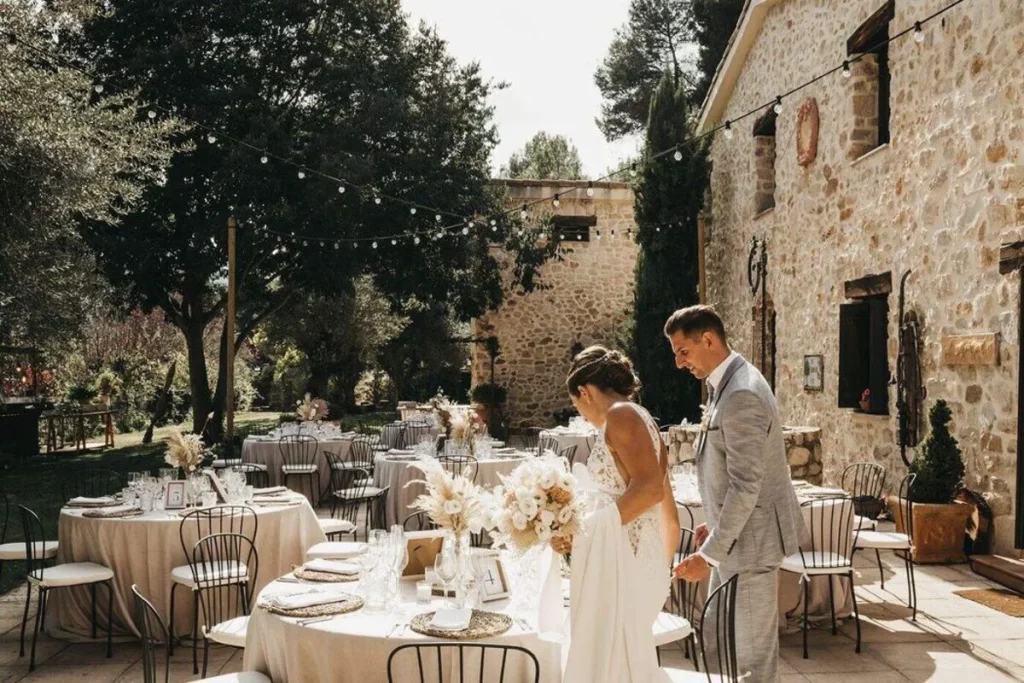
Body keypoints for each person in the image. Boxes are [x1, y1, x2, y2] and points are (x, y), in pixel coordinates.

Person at [667, 305, 805, 682]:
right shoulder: (727, 384)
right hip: (738, 541)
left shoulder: (742, 392)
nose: (679, 363)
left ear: (708, 339)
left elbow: (748, 484)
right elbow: (735, 475)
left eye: (683, 351)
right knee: (721, 642)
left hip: (752, 545)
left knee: (749, 661)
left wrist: (707, 557)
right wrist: (715, 521)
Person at [553, 346, 679, 682]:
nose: (581, 414)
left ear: (585, 392)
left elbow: (650, 489)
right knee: (622, 661)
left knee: (613, 663)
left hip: (627, 560)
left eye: (577, 406)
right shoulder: (644, 419)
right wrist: (660, 568)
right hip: (638, 558)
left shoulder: (621, 416)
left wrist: (585, 532)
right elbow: (669, 513)